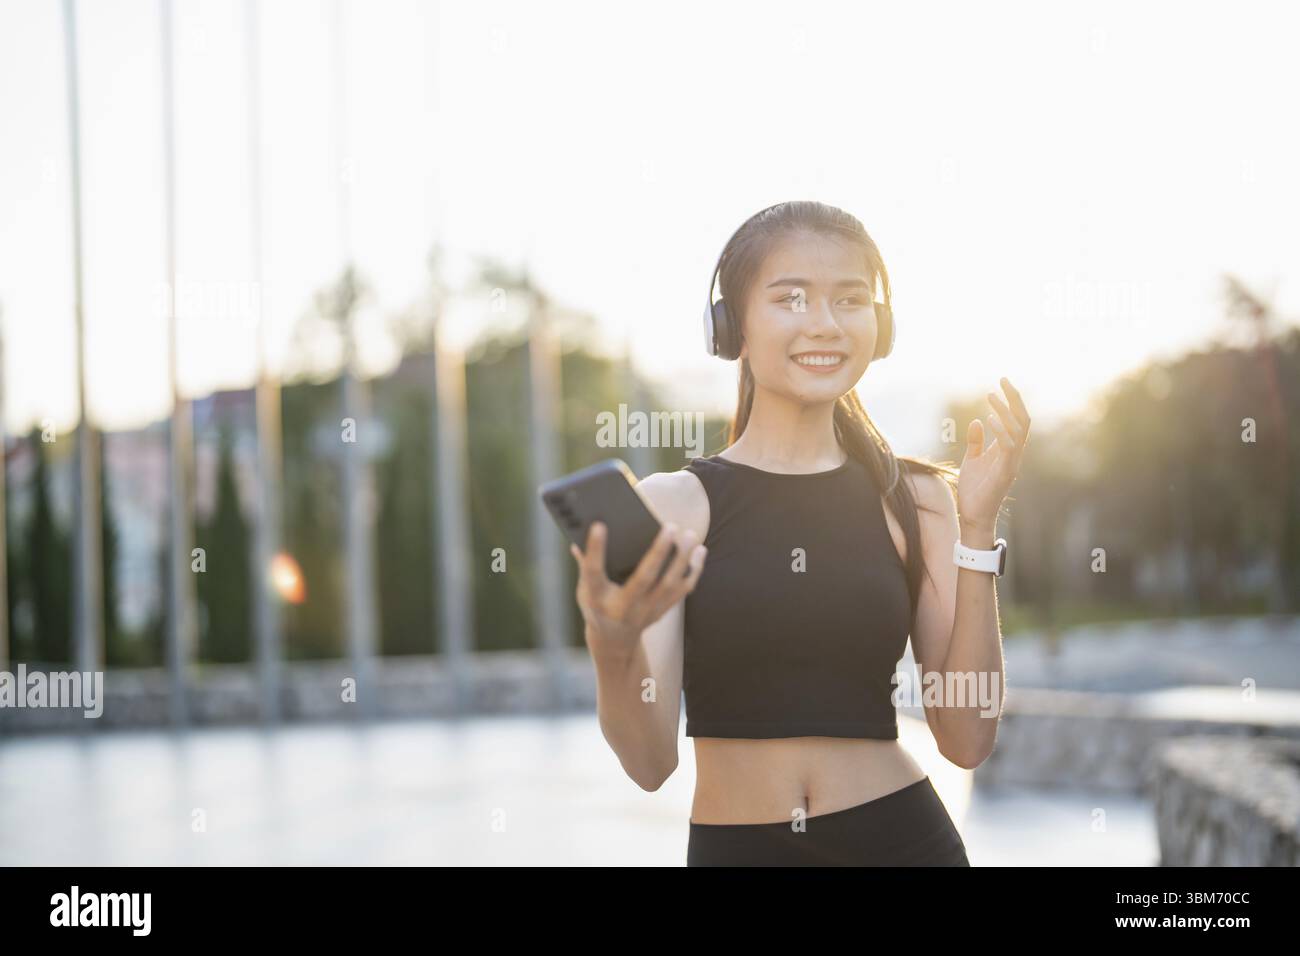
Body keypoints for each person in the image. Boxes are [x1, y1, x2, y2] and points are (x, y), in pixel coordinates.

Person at [568, 200, 1031, 865]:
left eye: (850, 301)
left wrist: (979, 528)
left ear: (882, 323)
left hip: (904, 843)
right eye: (791, 299)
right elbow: (648, 763)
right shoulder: (674, 508)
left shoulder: (920, 502)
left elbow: (966, 738)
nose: (825, 325)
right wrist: (611, 647)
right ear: (731, 329)